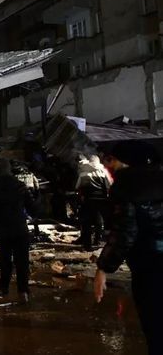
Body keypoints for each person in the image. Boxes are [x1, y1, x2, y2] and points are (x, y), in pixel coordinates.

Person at [94, 141, 163, 355]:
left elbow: (125, 233)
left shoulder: (126, 186)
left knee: (156, 328)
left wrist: (103, 268)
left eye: (112, 160)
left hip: (150, 266)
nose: (109, 165)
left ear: (126, 162)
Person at [0, 159, 35, 303]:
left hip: (2, 228)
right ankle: (23, 291)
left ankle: (5, 288)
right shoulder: (20, 185)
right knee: (22, 261)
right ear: (9, 169)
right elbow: (33, 207)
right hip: (20, 227)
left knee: (5, 259)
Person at [75, 154, 111, 250]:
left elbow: (77, 186)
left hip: (88, 200)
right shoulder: (103, 171)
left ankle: (87, 245)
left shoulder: (83, 172)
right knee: (99, 221)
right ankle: (98, 241)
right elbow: (109, 184)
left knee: (87, 222)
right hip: (101, 200)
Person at [13, 162, 41, 237]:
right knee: (33, 213)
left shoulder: (15, 176)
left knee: (22, 214)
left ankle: (24, 231)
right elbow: (37, 186)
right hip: (30, 195)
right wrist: (37, 196)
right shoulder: (31, 175)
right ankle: (36, 230)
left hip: (21, 196)